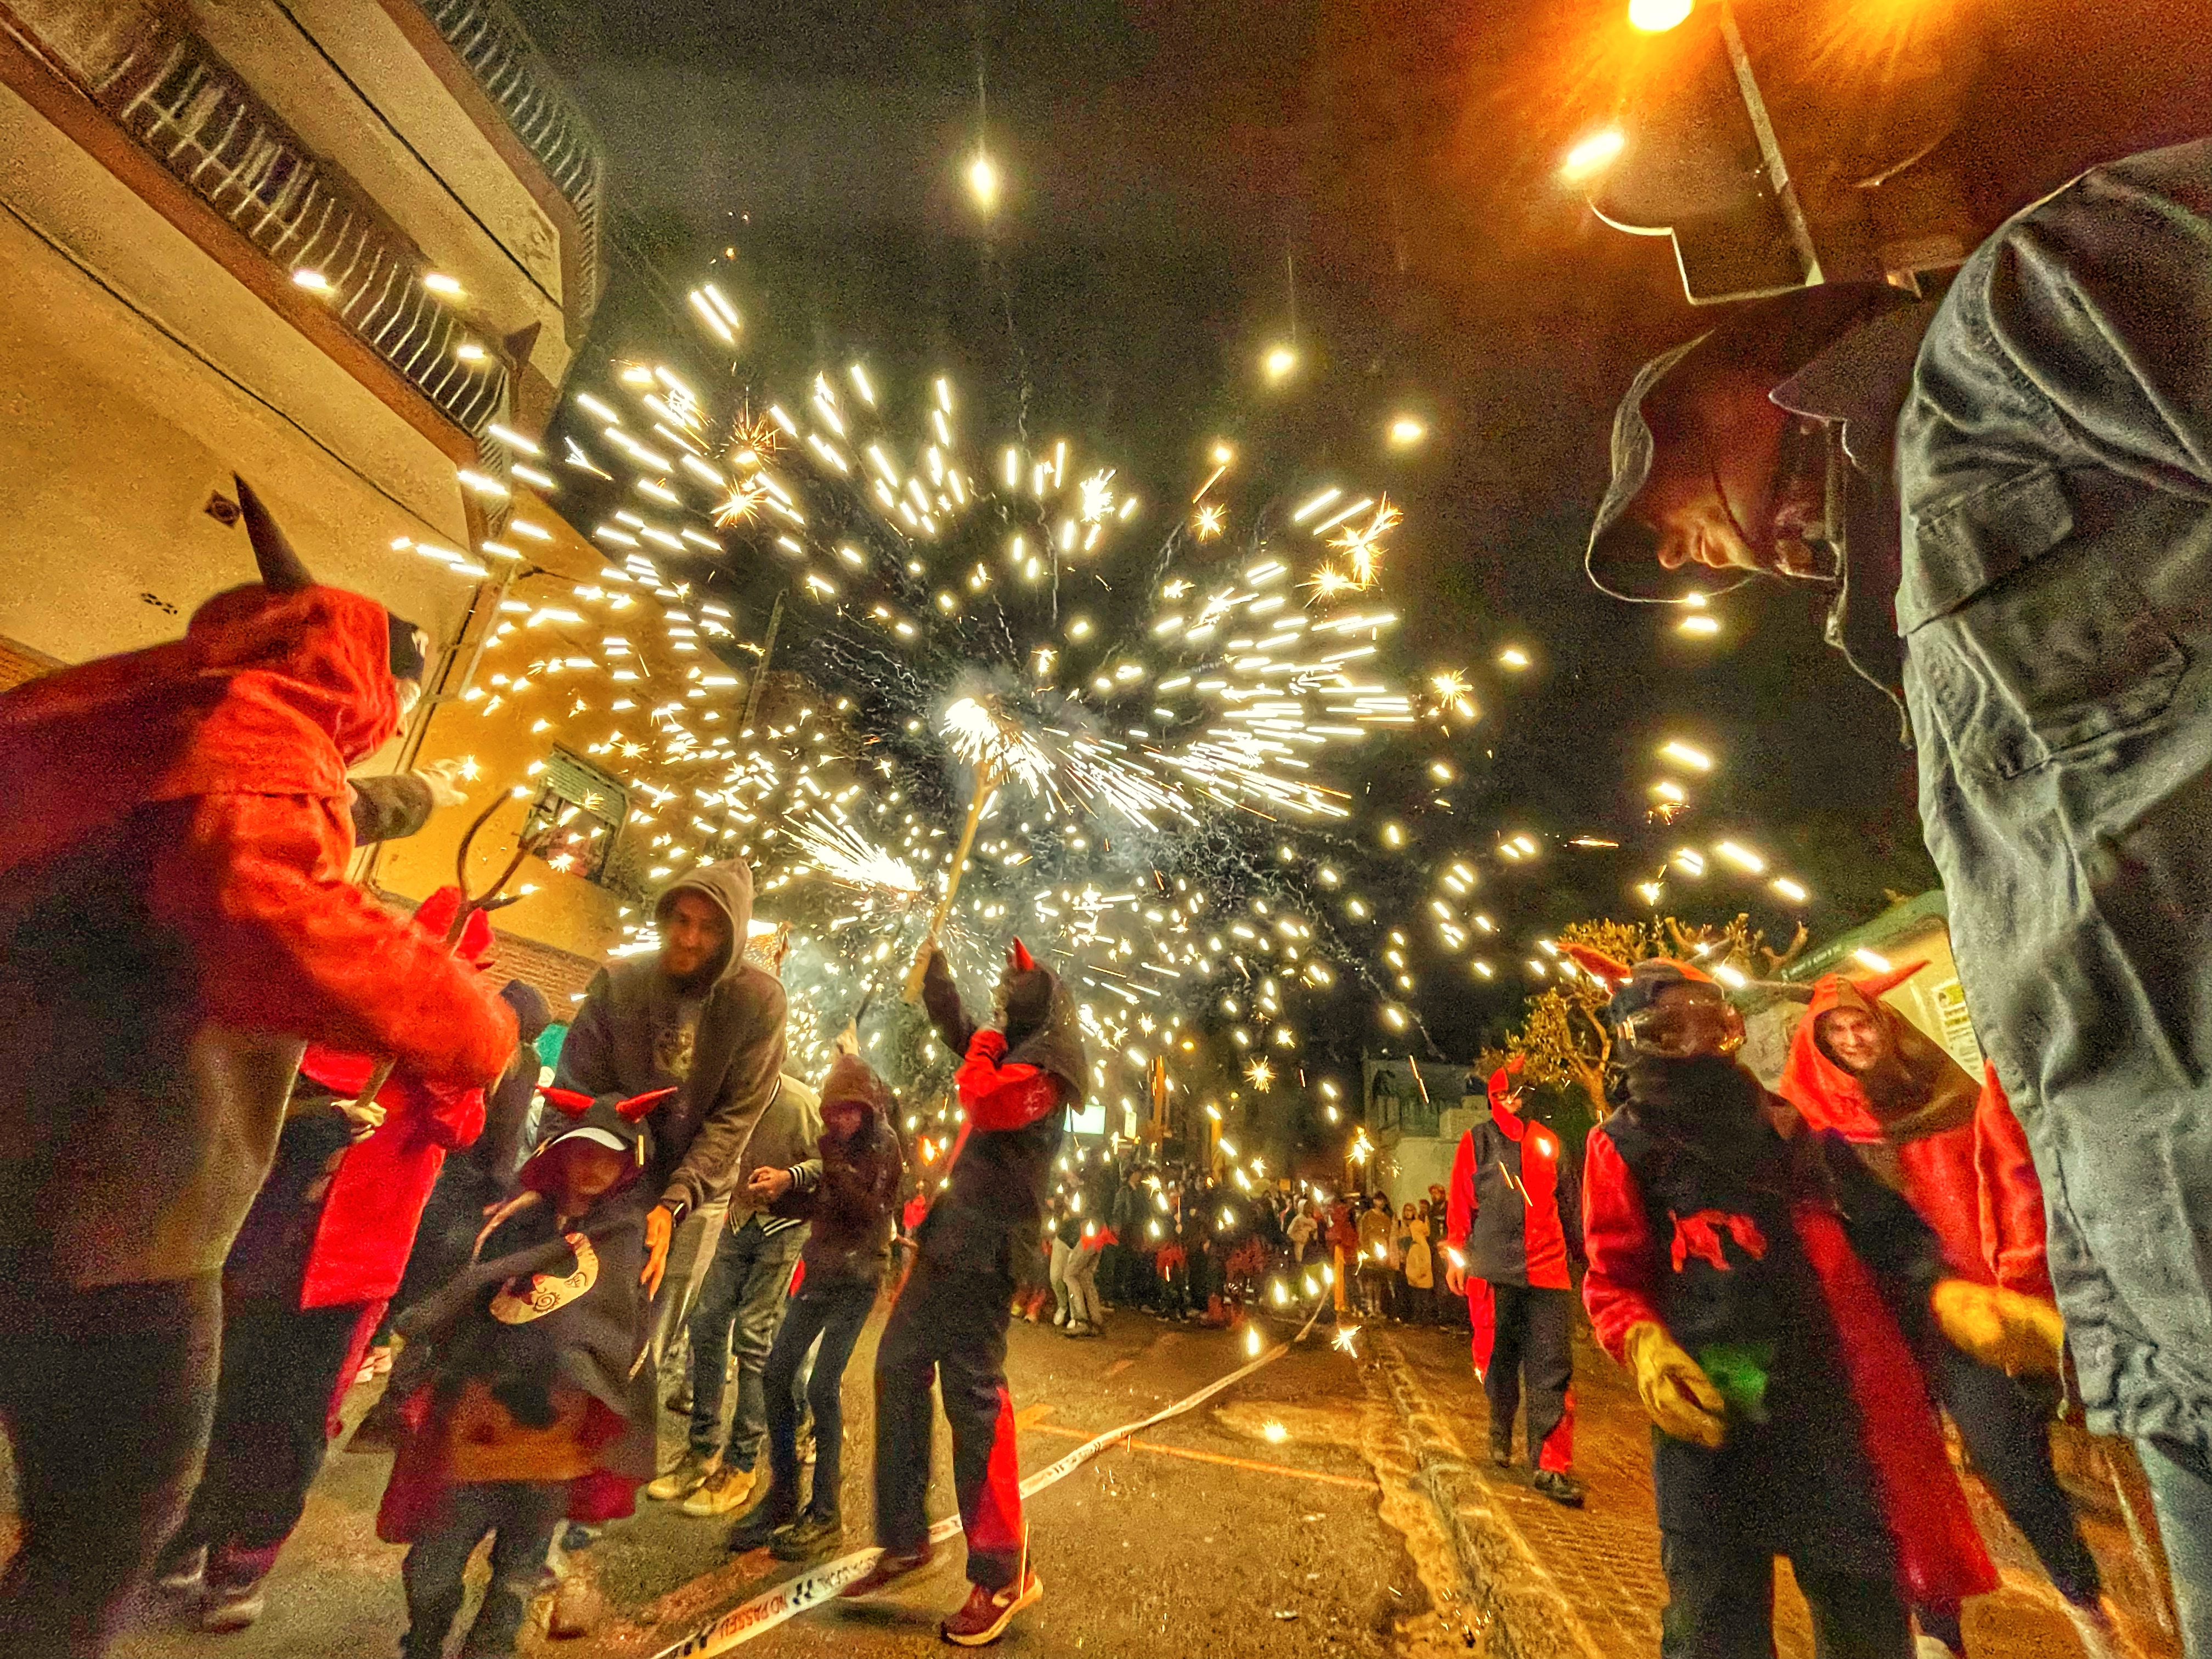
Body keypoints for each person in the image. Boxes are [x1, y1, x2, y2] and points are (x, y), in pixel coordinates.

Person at [1583, 139, 2212, 1650]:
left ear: (1732, 385)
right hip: (2177, 1319)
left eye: (1662, 505)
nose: (1688, 559)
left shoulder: (2028, 314)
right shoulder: (1917, 646)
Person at [0, 479, 516, 1658]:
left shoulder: (146, 708)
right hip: (117, 1209)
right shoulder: (266, 734)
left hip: (30, 1154)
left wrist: (379, 801)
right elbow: (255, 890)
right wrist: (469, 1016)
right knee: (107, 1527)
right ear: (365, 680)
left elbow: (226, 820)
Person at [1573, 949, 2069, 1659]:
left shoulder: (1788, 1129)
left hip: (1822, 1402)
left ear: (1730, 1029)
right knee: (1716, 1625)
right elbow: (1613, 1277)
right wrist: (1645, 1346)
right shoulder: (1621, 1147)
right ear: (1631, 1045)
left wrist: (1951, 1294)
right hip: (1714, 1393)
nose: (1691, 1047)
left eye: (1706, 1026)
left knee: (1867, 1617)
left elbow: (1889, 1233)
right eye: (1664, 1034)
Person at [155, 885, 504, 1628]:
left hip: (346, 1266)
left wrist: (431, 1036)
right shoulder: (339, 1009)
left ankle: (243, 1556)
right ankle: (184, 1534)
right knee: (212, 1391)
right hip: (258, 1240)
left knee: (291, 1414)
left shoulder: (457, 1040)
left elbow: (461, 1125)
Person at [1778, 967, 2130, 1658]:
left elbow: (2007, 1184)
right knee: (1904, 1486)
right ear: (1815, 1048)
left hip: (1961, 1315)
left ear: (1886, 1026)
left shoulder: (1946, 1095)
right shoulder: (1806, 1131)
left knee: (2015, 1468)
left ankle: (2088, 1607)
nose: (1854, 1039)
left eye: (1862, 1024)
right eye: (1837, 1033)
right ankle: (1937, 1632)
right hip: (1876, 1330)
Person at [843, 940, 1084, 1646]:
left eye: (1013, 998)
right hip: (948, 1242)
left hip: (988, 1253)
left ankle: (1004, 1573)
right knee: (896, 1368)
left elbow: (983, 1095)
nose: (1001, 1004)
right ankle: (906, 1539)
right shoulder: (1011, 1046)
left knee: (975, 1400)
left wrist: (981, 1037)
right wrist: (935, 981)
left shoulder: (1048, 1070)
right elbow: (965, 1037)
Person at [376, 1089, 661, 1659]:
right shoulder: (514, 1217)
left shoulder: (626, 1234)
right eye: (582, 1152)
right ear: (559, 1153)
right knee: (431, 1565)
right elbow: (468, 1293)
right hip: (478, 1427)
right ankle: (424, 1641)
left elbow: (612, 1334)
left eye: (609, 1157)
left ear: (628, 1165)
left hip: (554, 1443)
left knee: (517, 1576)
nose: (593, 1167)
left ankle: (490, 1649)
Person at [550, 858, 787, 1369]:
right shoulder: (620, 981)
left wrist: (676, 1201)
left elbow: (735, 1117)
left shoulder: (758, 1001)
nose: (690, 939)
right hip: (612, 1171)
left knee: (640, 1341)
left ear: (733, 936)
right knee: (567, 1318)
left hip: (694, 1192)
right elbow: (576, 1085)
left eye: (709, 928)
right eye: (681, 920)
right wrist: (557, 1175)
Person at [726, 1048, 904, 1560]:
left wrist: (832, 1166)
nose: (843, 1120)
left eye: (852, 1110)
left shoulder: (883, 1146)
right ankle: (782, 1496)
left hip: (857, 1278)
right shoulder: (831, 1146)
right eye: (836, 1111)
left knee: (823, 1384)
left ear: (868, 1110)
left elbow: (871, 1210)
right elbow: (820, 1201)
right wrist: (777, 1193)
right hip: (822, 1271)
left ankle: (826, 1512)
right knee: (777, 1372)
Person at [651, 1066, 820, 1517]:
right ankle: (702, 1450)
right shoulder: (729, 1097)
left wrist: (790, 1177)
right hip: (737, 1218)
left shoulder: (802, 1104)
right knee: (706, 1323)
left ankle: (741, 1464)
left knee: (753, 1338)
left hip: (783, 1227)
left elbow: (836, 1165)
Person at [1444, 1058, 1586, 1505]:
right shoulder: (1475, 1142)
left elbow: (1571, 1208)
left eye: (1518, 1096)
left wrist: (1593, 1264)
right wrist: (1455, 1256)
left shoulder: (1549, 1144)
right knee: (1495, 1363)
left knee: (1552, 1370)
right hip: (1492, 1273)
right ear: (1492, 1099)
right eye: (1504, 1097)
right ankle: (1499, 1428)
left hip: (1547, 1275)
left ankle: (1550, 1465)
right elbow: (1459, 1204)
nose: (1512, 1104)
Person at [1402, 1204, 1436, 1327]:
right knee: (1420, 1301)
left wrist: (1416, 1274)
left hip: (1419, 1279)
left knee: (1420, 1302)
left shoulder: (1419, 1245)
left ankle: (1422, 1321)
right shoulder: (1420, 1244)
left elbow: (1424, 1263)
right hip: (1420, 1279)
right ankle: (1421, 1320)